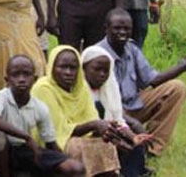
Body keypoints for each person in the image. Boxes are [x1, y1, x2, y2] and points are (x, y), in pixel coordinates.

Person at [97, 8, 186, 156]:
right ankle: (132, 144)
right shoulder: (97, 55)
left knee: (176, 88)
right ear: (106, 28)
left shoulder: (131, 48)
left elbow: (153, 79)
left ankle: (152, 148)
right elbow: (99, 103)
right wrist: (134, 124)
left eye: (127, 29)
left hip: (133, 104)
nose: (122, 33)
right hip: (109, 113)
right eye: (117, 28)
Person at [0, 55, 84, 176]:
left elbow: (50, 143)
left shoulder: (40, 107)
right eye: (15, 75)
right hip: (0, 152)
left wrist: (61, 159)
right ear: (7, 79)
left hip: (25, 150)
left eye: (26, 74)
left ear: (35, 79)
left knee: (74, 167)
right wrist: (26, 136)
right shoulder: (0, 97)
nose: (21, 79)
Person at [32, 46, 121, 176]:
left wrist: (106, 130)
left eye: (73, 68)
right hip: (49, 145)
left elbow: (91, 118)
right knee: (76, 146)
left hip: (77, 136)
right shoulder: (43, 88)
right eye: (62, 67)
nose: (68, 72)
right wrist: (94, 125)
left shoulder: (81, 87)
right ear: (51, 67)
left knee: (105, 143)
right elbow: (59, 131)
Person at [82, 46, 151, 177]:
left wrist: (133, 137)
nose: (102, 74)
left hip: (109, 135)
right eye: (97, 69)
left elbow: (118, 120)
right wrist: (114, 139)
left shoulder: (108, 89)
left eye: (106, 71)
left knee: (134, 144)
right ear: (84, 68)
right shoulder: (78, 93)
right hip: (88, 139)